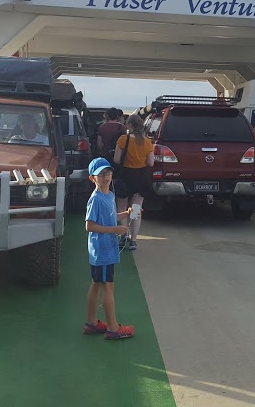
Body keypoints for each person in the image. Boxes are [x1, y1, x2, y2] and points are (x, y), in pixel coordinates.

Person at [82, 157, 135, 340]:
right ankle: (113, 328)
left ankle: (91, 322)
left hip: (105, 249)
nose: (106, 177)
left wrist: (125, 214)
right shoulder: (96, 199)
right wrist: (114, 229)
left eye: (108, 173)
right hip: (102, 250)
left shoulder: (109, 196)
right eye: (102, 174)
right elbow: (89, 226)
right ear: (92, 178)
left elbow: (110, 216)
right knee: (108, 286)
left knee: (97, 284)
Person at [112, 114, 155, 251]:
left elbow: (116, 159)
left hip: (125, 175)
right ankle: (133, 240)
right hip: (141, 177)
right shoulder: (147, 142)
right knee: (136, 210)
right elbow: (150, 162)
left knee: (122, 208)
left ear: (129, 125)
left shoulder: (123, 140)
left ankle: (123, 235)